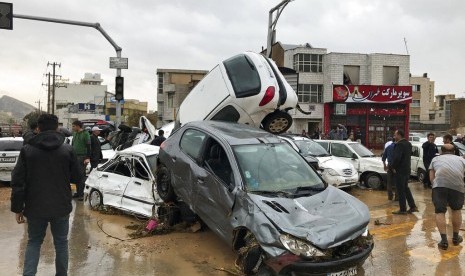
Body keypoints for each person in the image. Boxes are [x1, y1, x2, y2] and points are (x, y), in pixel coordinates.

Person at [10, 113, 80, 276]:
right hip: (61, 206)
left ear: (38, 129)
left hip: (35, 207)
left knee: (34, 242)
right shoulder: (67, 150)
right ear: (57, 128)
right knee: (61, 243)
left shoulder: (27, 151)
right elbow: (77, 177)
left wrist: (18, 208)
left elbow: (18, 182)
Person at [429, 143, 465, 250]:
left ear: (441, 151)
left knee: (440, 211)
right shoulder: (462, 160)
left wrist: (434, 185)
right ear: (454, 151)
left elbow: (431, 177)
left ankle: (444, 241)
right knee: (456, 210)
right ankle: (455, 237)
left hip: (439, 185)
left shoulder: (435, 160)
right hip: (457, 186)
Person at [391, 129, 418, 215]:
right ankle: (413, 206)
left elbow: (397, 158)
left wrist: (393, 167)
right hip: (407, 169)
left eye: (395, 135)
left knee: (400, 190)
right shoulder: (408, 144)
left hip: (400, 170)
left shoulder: (400, 145)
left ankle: (402, 209)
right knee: (406, 188)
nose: (394, 137)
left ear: (399, 135)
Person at [71, 120, 90, 200]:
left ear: (78, 126)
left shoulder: (85, 133)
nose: (72, 128)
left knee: (81, 176)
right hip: (75, 157)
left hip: (82, 157)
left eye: (73, 126)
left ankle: (81, 194)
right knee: (76, 175)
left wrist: (87, 157)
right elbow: (72, 145)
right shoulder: (74, 133)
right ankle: (77, 192)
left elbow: (89, 146)